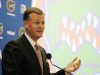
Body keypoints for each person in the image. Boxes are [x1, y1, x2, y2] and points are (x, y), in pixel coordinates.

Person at [2, 7, 81, 75]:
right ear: (26, 24)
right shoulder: (14, 47)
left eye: (43, 23)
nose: (41, 26)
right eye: (37, 23)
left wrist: (65, 71)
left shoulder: (42, 51)